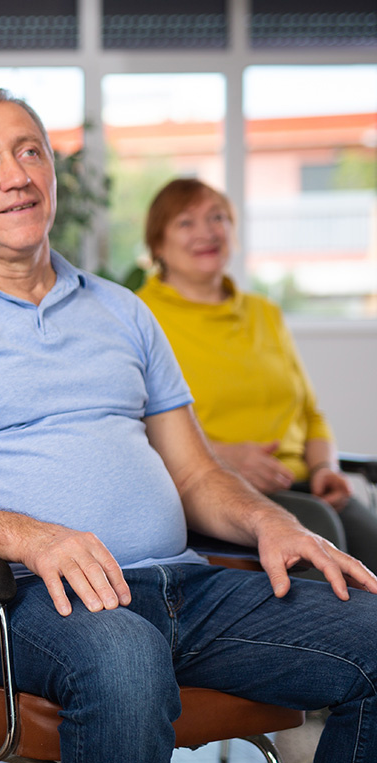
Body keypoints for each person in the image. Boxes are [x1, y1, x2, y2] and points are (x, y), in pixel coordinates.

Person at [0, 87, 377, 763]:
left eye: (30, 151)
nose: (17, 174)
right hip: (18, 604)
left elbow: (193, 474)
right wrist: (33, 537)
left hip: (180, 585)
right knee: (123, 657)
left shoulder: (122, 309)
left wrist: (269, 521)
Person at [136, 177, 377, 573]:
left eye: (217, 218)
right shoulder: (140, 315)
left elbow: (311, 414)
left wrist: (325, 469)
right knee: (318, 536)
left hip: (307, 487)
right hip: (227, 494)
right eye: (185, 222)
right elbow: (135, 429)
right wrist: (223, 456)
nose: (207, 232)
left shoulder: (266, 313)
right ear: (157, 244)